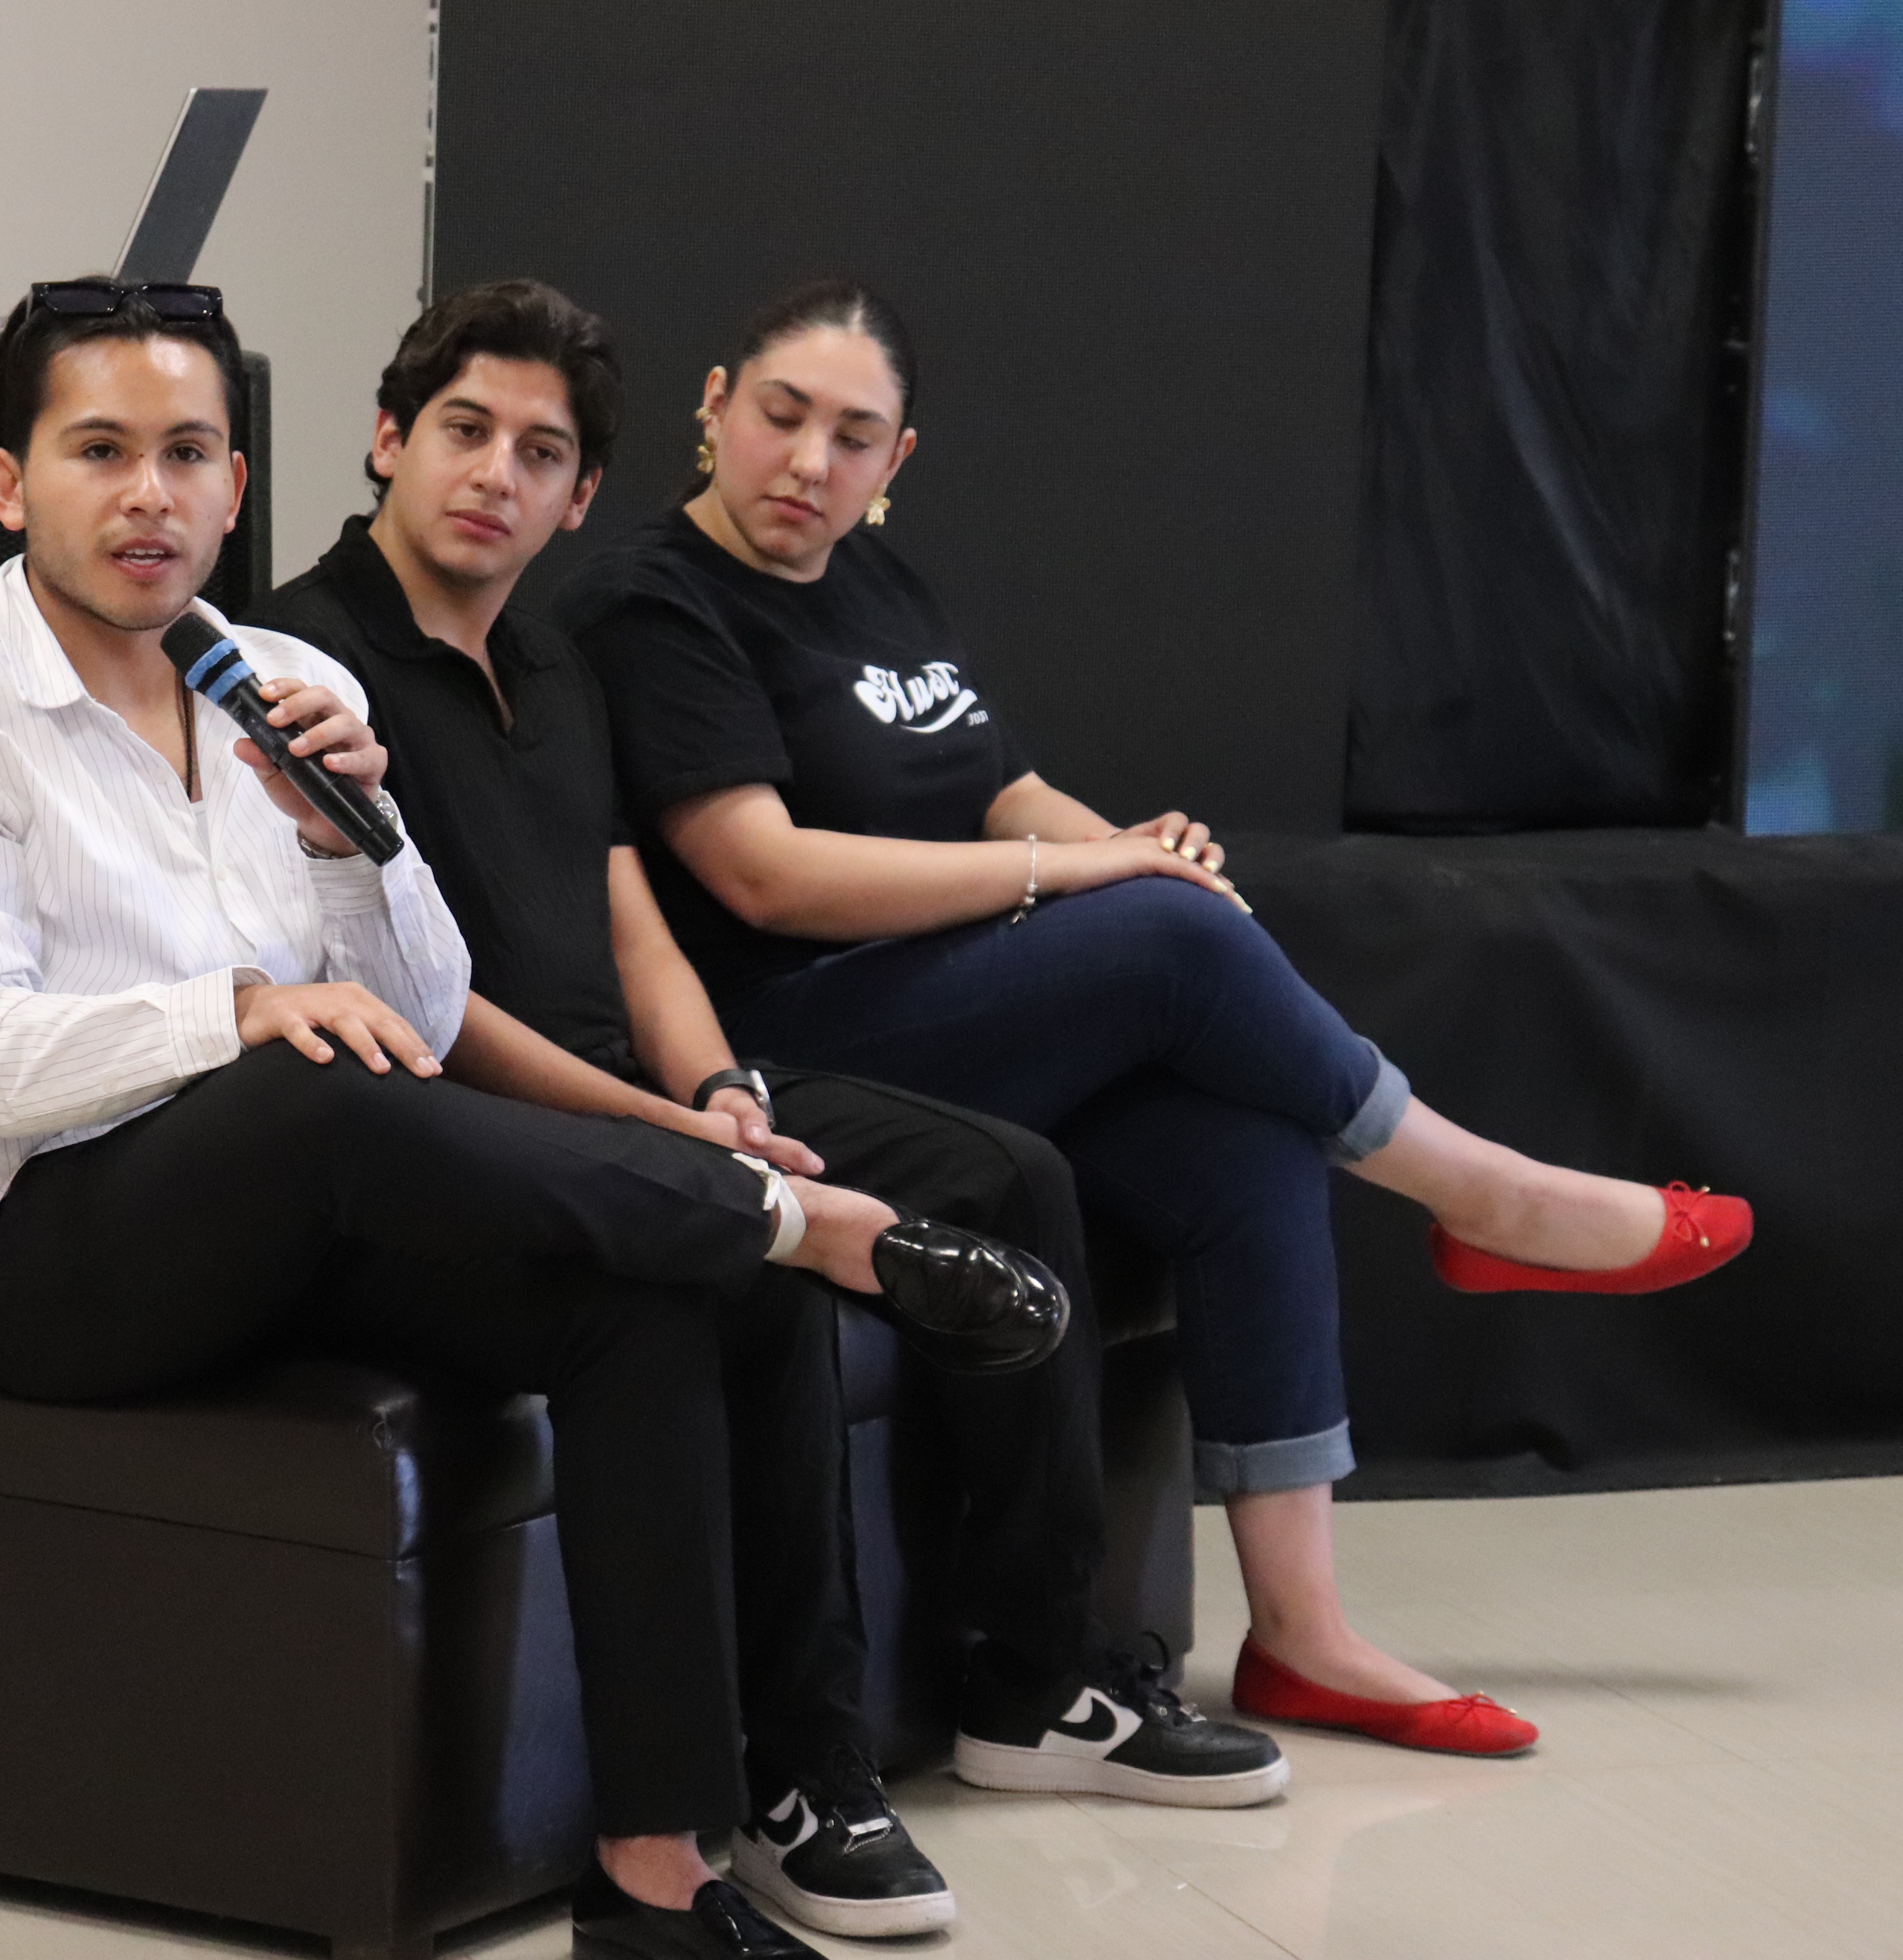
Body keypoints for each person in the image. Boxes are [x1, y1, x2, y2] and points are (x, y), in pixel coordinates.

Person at [0, 278, 1061, 1960]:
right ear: (8, 484)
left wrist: (350, 841)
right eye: (99, 451)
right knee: (305, 1080)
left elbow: (427, 1003)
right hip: (23, 1254)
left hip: (279, 1215)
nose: (150, 495)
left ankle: (657, 1877)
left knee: (658, 1294)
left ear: (238, 485)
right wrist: (234, 1009)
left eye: (189, 453)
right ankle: (798, 1218)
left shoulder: (281, 679)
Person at [558, 278, 1757, 1758]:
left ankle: (1304, 1634)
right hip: (789, 1039)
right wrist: (1092, 878)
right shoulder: (653, 600)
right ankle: (1488, 1193)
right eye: (781, 416)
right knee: (1169, 936)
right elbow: (765, 872)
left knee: (1244, 1139)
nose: (808, 461)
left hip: (943, 1003)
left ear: (898, 459)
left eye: (853, 436)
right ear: (715, 404)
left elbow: (999, 789)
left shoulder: (877, 584)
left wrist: (1134, 848)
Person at [259, 279, 1290, 1943]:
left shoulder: (551, 653)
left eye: (540, 453)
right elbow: (414, 999)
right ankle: (805, 1773)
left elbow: (627, 918)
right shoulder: (309, 666)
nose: (496, 476)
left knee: (1011, 1177)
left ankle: (1040, 1681)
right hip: (484, 1114)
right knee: (750, 1260)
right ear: (388, 438)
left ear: (581, 495)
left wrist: (716, 1087)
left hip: (644, 1086)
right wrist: (669, 1134)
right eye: (463, 431)